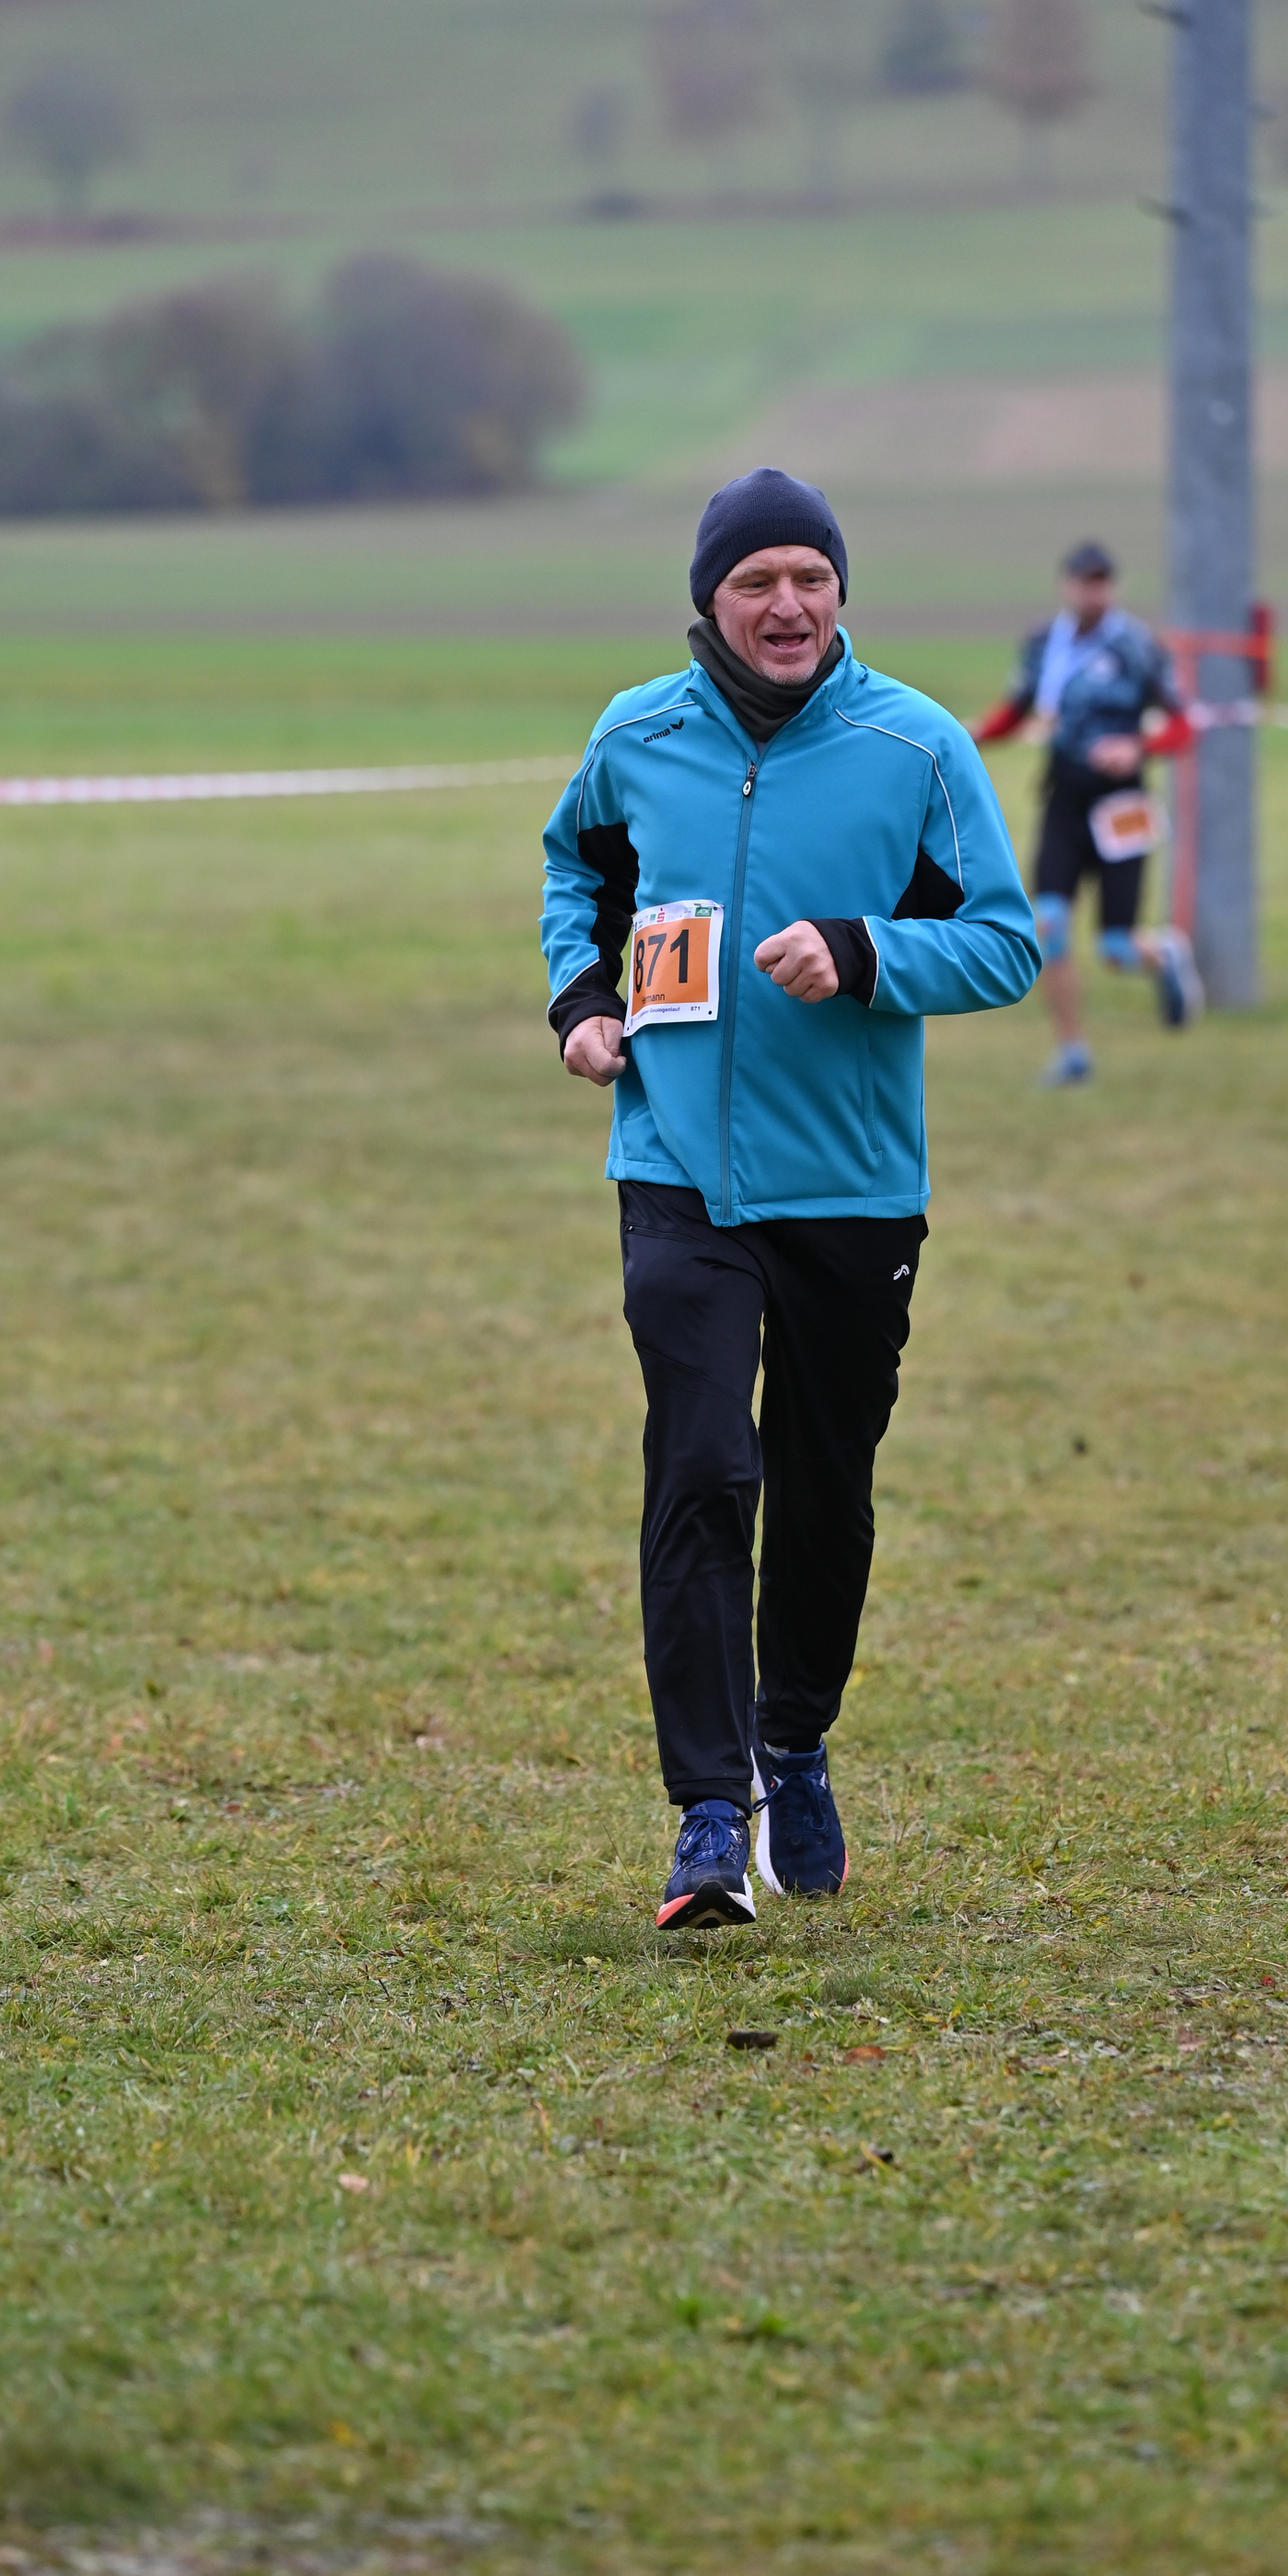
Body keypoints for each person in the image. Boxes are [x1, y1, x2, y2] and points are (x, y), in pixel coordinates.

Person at [540, 467, 1039, 1930]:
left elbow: (1005, 941)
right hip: (677, 1168)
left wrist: (867, 951)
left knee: (824, 1488)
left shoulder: (917, 747)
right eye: (757, 579)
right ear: (711, 598)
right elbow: (582, 871)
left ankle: (792, 1738)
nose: (787, 603)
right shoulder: (636, 736)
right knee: (702, 1467)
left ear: (840, 592)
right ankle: (708, 1813)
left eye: (810, 578)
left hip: (852, 1185)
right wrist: (581, 1001)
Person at [969, 540, 1201, 1088]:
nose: (1092, 591)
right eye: (1083, 581)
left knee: (1115, 948)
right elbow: (1017, 711)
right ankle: (1072, 1050)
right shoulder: (1043, 644)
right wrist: (965, 737)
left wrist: (1138, 748)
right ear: (1066, 585)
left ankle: (1163, 955)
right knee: (1049, 925)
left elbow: (1184, 723)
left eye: (1101, 581)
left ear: (1113, 587)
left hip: (1123, 807)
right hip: (1065, 802)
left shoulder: (1138, 646)